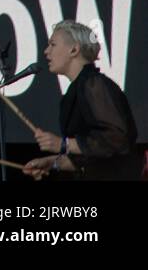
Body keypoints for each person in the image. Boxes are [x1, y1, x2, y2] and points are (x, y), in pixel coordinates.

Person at [22, 20, 142, 181]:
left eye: (53, 45)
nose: (46, 51)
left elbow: (117, 140)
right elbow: (94, 158)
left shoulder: (94, 84)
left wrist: (63, 144)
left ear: (74, 49)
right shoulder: (77, 89)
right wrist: (53, 163)